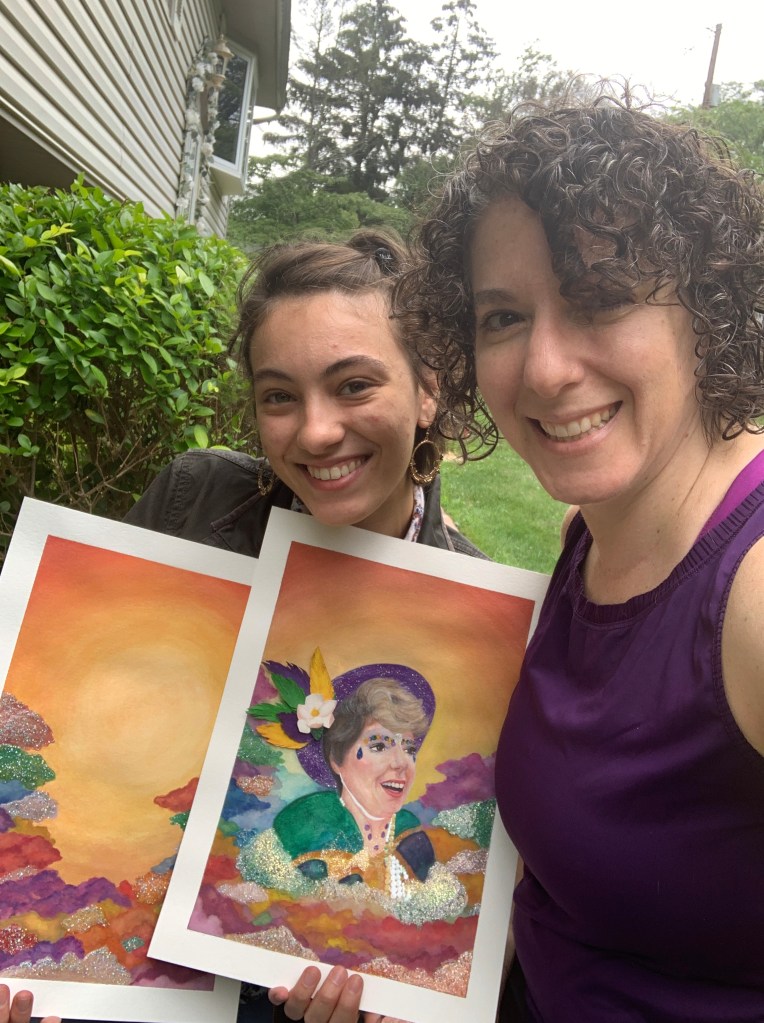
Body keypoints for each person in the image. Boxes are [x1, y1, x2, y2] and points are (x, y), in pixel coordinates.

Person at [282, 91, 764, 1023]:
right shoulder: (596, 531)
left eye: (602, 296)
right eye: (503, 317)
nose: (544, 368)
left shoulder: (750, 590)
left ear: (706, 303)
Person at [125, 230, 485, 560]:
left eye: (355, 386)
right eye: (281, 396)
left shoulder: (478, 601)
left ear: (428, 390)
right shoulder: (188, 501)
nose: (315, 434)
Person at [251, 670, 436, 896]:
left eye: (409, 749)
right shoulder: (308, 824)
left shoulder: (412, 836)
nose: (400, 763)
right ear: (337, 759)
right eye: (379, 746)